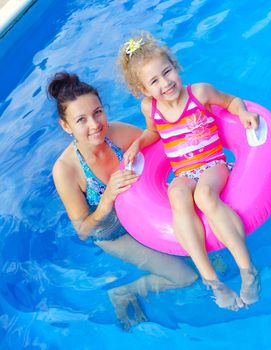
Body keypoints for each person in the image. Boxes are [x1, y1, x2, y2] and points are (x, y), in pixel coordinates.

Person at [118, 32, 260, 311]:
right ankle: (212, 280)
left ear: (175, 65)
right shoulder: (151, 107)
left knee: (205, 196)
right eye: (154, 81)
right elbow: (152, 133)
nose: (165, 83)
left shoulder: (199, 93)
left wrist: (242, 114)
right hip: (184, 171)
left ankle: (248, 270)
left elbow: (231, 101)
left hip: (212, 164)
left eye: (167, 72)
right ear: (144, 90)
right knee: (177, 193)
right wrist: (137, 144)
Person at [48, 72, 198, 330]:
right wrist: (106, 200)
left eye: (97, 112)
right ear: (66, 126)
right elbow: (83, 231)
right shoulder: (65, 170)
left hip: (147, 214)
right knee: (186, 276)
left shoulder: (115, 133)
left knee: (201, 246)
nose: (95, 124)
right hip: (114, 232)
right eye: (81, 120)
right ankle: (126, 291)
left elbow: (163, 145)